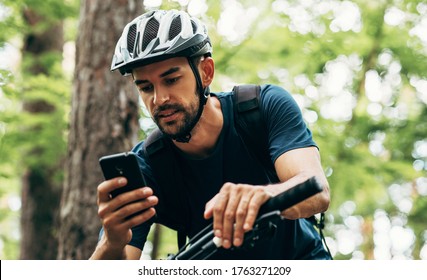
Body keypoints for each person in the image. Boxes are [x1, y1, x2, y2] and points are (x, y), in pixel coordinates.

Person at [90, 9, 331, 260]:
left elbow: (317, 190)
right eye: (146, 87)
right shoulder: (147, 165)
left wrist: (263, 195)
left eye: (171, 80)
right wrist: (112, 242)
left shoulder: (264, 108)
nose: (159, 99)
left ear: (205, 72)